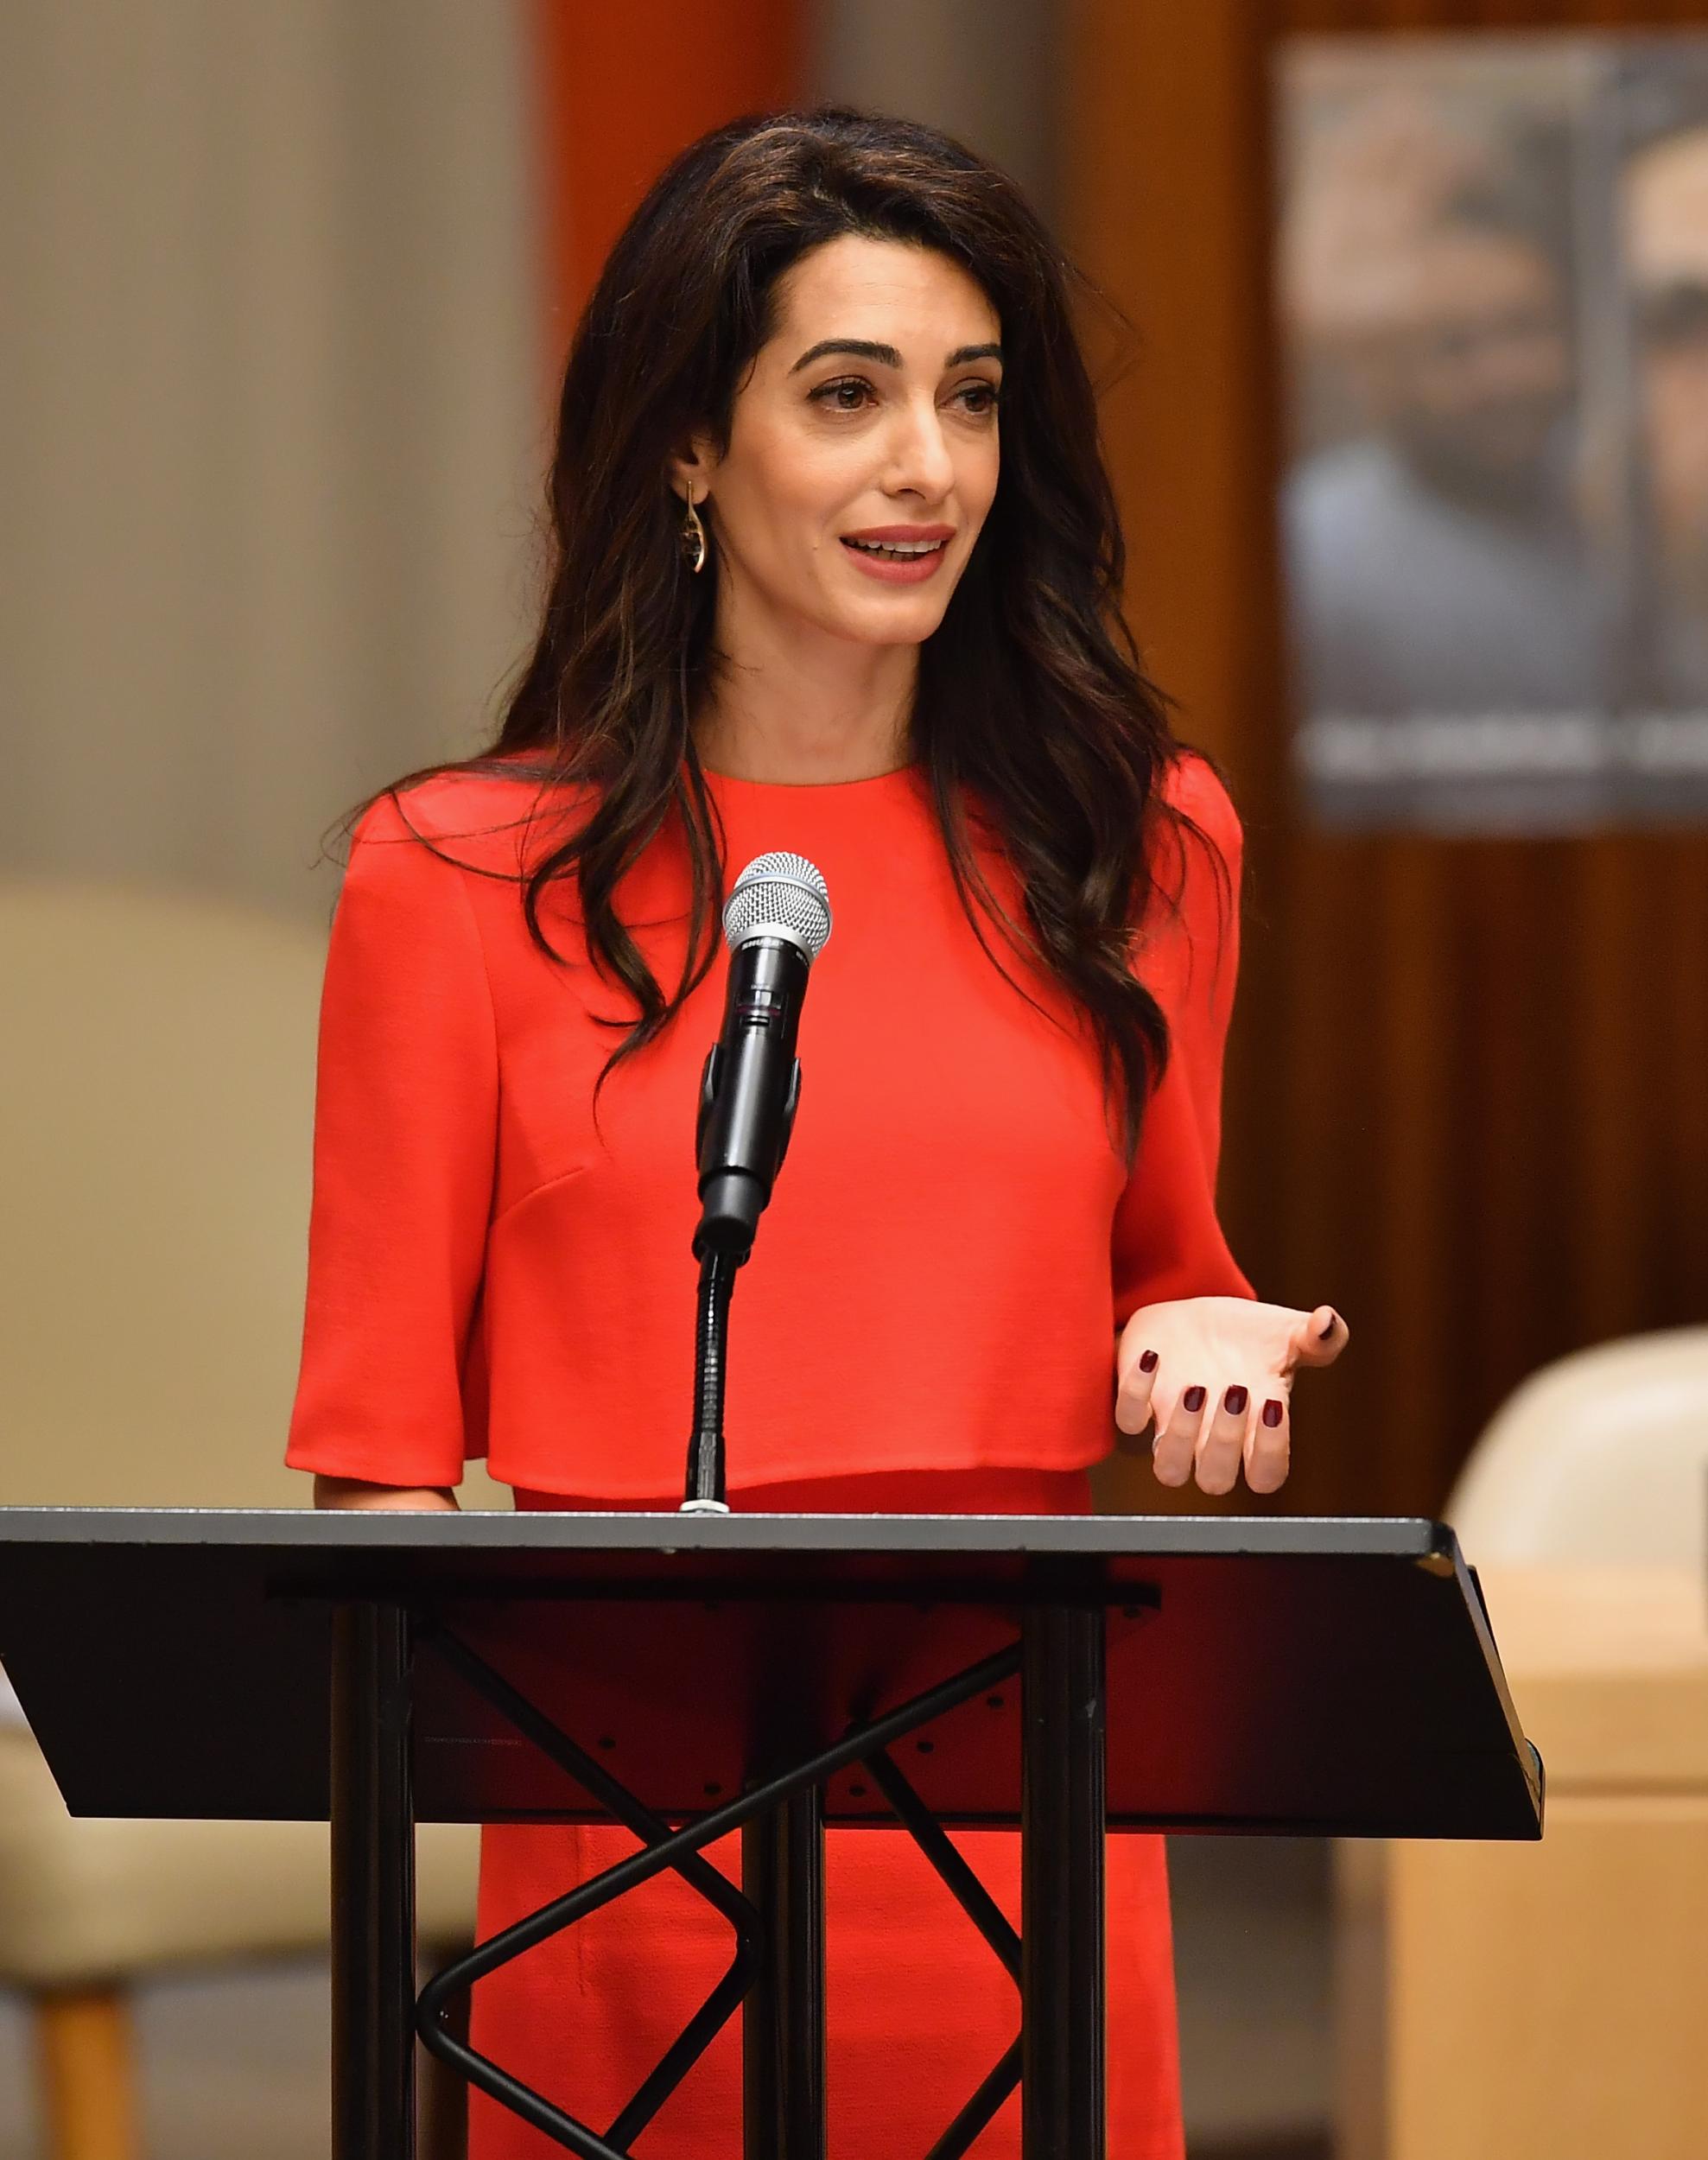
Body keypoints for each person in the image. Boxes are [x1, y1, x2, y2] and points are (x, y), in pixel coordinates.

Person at [285, 105, 1348, 2160]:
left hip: (1020, 1818)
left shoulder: (1134, 841)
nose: (924, 467)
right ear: (690, 441)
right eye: (843, 395)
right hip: (617, 1844)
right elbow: (379, 1478)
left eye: (967, 397)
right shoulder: (451, 877)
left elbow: (1166, 1268)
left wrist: (1210, 1348)